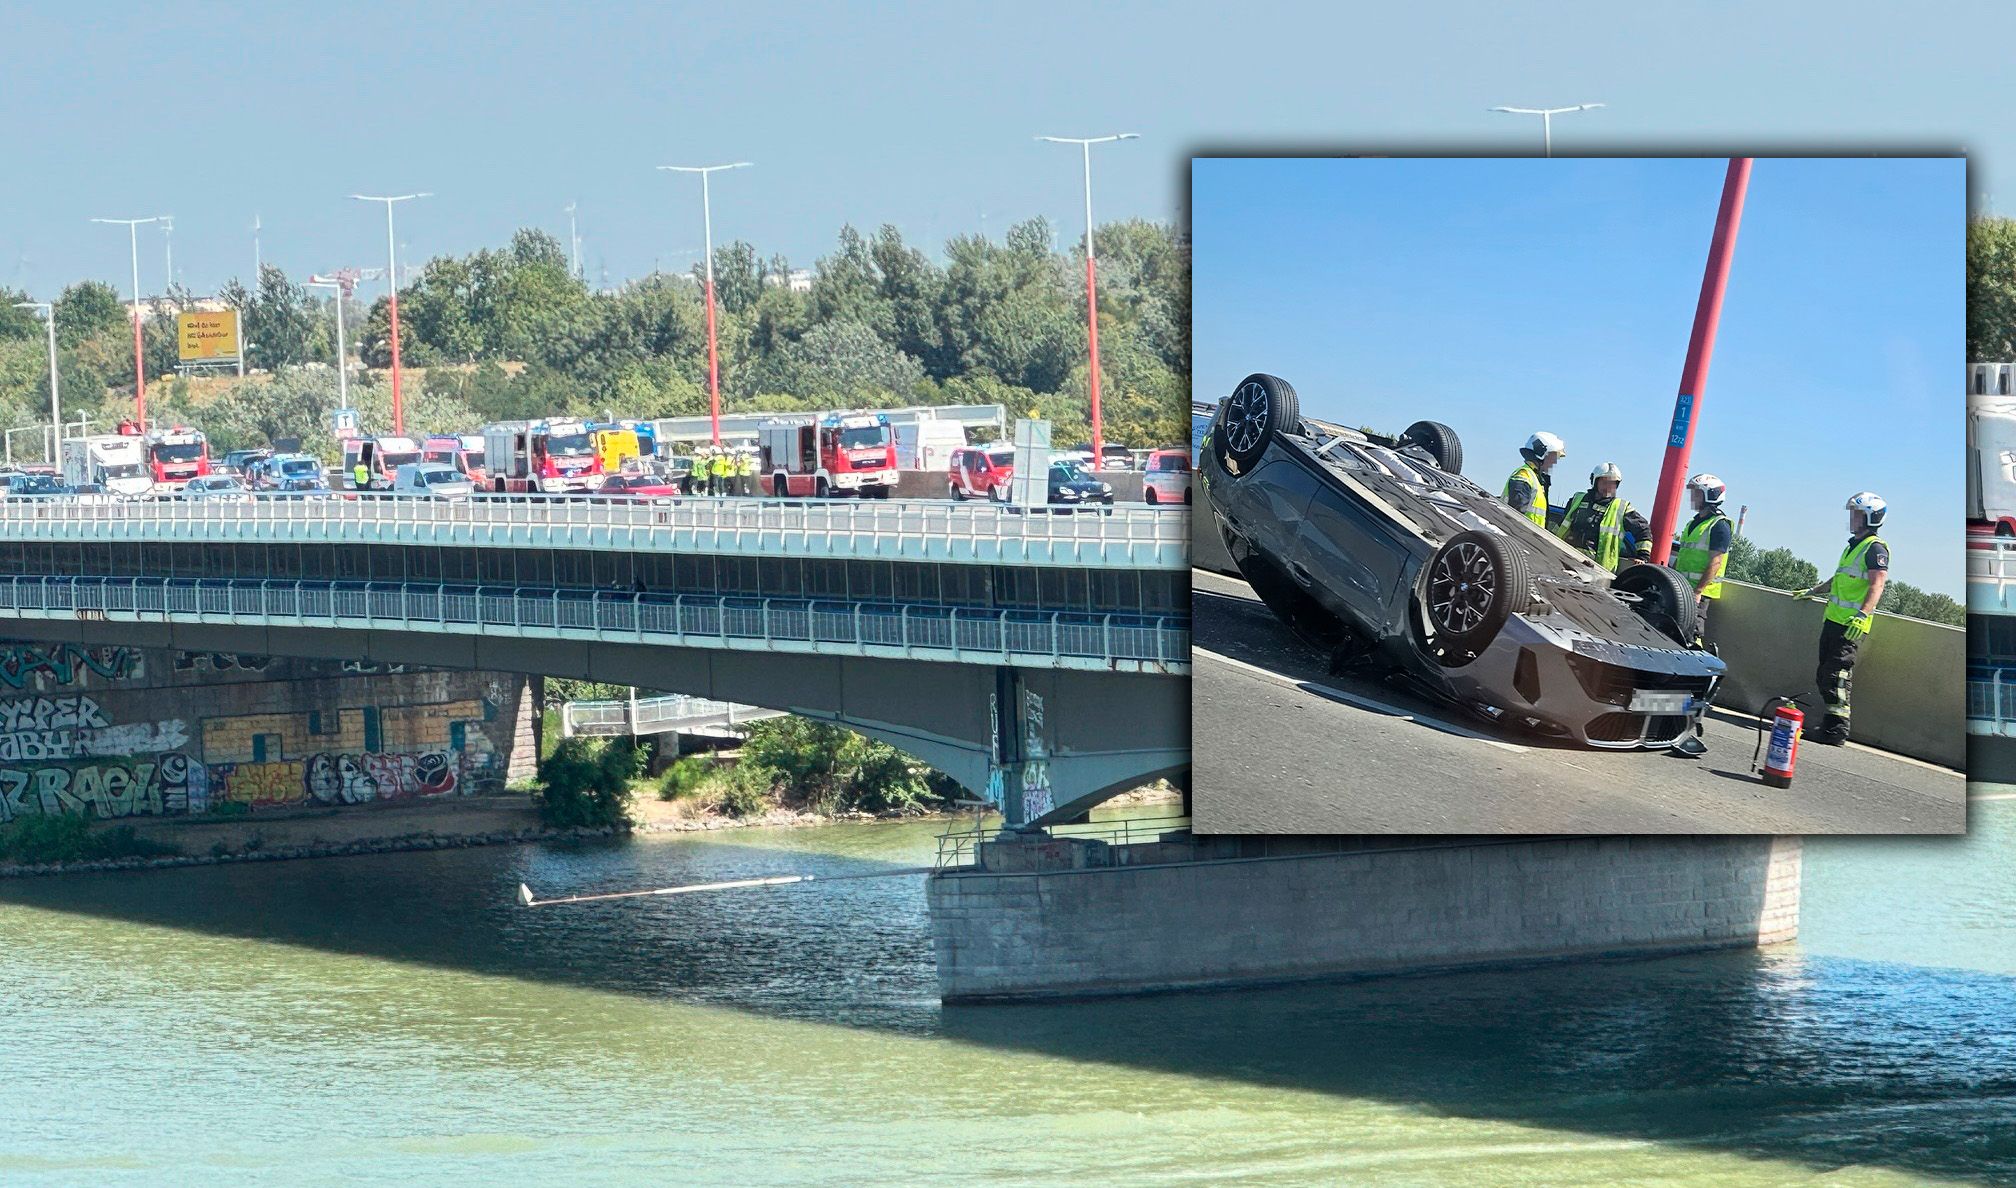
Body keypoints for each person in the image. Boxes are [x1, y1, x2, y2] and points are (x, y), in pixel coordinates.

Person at [1796, 491, 1891, 746]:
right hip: (1834, 621)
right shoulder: (1853, 546)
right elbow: (1838, 579)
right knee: (1825, 674)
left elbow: (1877, 585)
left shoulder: (1875, 549)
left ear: (1870, 518)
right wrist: (1812, 591)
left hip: (1850, 626)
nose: (1852, 518)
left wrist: (1862, 615)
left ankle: (1837, 730)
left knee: (1836, 676)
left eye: (1857, 514)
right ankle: (1829, 726)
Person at [1671, 473, 1734, 642]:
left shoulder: (1720, 525)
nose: (1692, 497)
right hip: (1681, 588)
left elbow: (1716, 562)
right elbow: (1683, 555)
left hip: (1698, 592)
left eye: (1697, 493)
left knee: (1692, 633)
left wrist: (1698, 592)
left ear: (1710, 496)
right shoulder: (1692, 523)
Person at [1554, 462, 1652, 572]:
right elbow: (1560, 526)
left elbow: (1643, 530)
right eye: (1604, 482)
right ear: (1595, 482)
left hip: (1598, 570)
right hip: (1564, 560)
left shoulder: (1621, 508)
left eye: (1613, 483)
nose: (1608, 487)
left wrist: (1642, 557)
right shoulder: (1577, 499)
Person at [1504, 431, 1565, 528]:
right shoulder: (1524, 476)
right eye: (1553, 456)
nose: (1554, 462)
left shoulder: (1537, 479)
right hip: (1519, 538)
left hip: (1530, 539)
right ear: (1541, 453)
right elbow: (1515, 516)